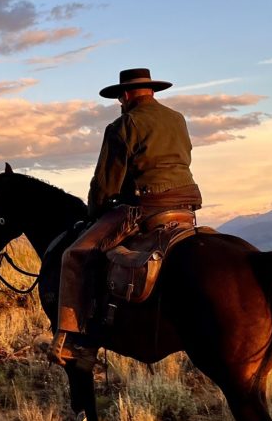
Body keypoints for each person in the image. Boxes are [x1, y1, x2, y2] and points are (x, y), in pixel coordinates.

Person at [51, 68, 203, 366]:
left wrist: (94, 212)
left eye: (120, 96)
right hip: (184, 208)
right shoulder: (177, 119)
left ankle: (72, 341)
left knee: (75, 254)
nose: (119, 101)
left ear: (126, 95)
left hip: (145, 206)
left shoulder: (123, 125)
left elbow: (106, 183)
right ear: (151, 91)